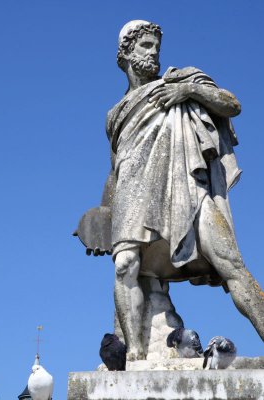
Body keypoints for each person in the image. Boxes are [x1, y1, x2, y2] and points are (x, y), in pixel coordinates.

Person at [76, 20, 264, 360]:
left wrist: (190, 92)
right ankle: (134, 352)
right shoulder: (115, 114)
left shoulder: (181, 78)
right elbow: (117, 168)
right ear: (126, 53)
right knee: (125, 266)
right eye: (146, 46)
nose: (154, 53)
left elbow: (231, 104)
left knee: (231, 263)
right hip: (134, 196)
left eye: (156, 47)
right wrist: (104, 216)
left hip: (186, 189)